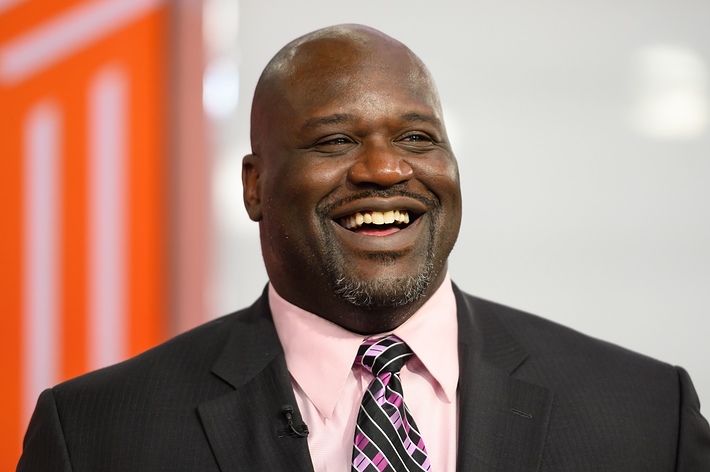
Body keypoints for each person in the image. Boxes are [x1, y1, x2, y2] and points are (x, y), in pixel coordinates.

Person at [18, 24, 710, 472]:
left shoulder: (647, 416)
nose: (385, 169)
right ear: (255, 187)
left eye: (416, 138)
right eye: (335, 140)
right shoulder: (95, 438)